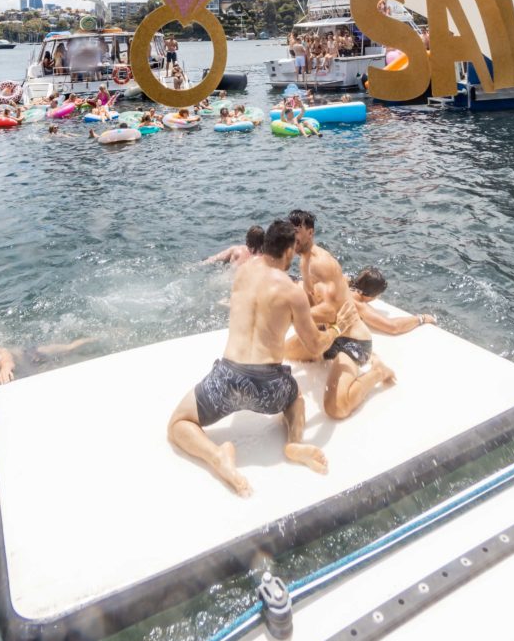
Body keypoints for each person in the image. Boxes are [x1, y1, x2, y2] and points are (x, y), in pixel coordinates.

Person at [166, 219, 329, 495]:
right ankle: (295, 441)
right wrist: (334, 331)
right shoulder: (293, 291)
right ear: (289, 251)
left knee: (178, 424)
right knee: (295, 397)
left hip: (227, 382)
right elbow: (314, 345)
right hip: (270, 390)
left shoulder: (242, 271)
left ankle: (217, 457)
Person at [285, 210, 395, 419]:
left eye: (296, 232)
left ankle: (378, 371)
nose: (292, 237)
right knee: (281, 354)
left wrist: (292, 315)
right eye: (289, 231)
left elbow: (330, 311)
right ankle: (321, 354)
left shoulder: (322, 264)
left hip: (351, 341)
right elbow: (311, 300)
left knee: (336, 408)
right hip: (327, 336)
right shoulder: (303, 260)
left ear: (310, 232)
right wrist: (310, 336)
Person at [0, 334, 93, 389]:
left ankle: (96, 338)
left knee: (69, 348)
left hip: (32, 353)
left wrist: (5, 368)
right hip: (27, 362)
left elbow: (5, 357)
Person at [349, 268, 437, 335]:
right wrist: (421, 318)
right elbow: (393, 327)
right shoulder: (358, 304)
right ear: (376, 294)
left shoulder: (344, 284)